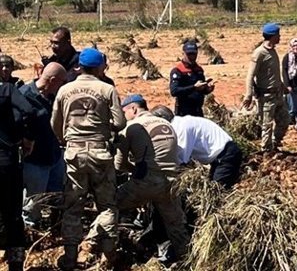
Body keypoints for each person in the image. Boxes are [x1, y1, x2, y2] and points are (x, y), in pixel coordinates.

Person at [51, 47, 126, 270]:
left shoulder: (65, 89)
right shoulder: (106, 89)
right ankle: (108, 257)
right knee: (107, 205)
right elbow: (120, 122)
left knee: (73, 206)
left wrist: (64, 139)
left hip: (73, 153)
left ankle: (71, 257)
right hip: (100, 153)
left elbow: (55, 122)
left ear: (80, 66)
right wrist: (104, 126)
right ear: (99, 67)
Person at [104, 94, 189, 264]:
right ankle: (188, 259)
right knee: (176, 226)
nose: (123, 116)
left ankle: (106, 252)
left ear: (133, 109)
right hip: (173, 183)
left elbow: (119, 165)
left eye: (124, 111)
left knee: (109, 205)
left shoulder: (131, 127)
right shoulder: (166, 124)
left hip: (147, 183)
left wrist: (136, 170)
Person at [18, 63, 68, 228]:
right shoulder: (24, 95)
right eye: (60, 82)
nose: (62, 86)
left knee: (57, 195)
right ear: (52, 80)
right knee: (34, 200)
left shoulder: (52, 96)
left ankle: (54, 227)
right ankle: (31, 232)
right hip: (35, 160)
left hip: (54, 156)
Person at [0, 82, 42, 271]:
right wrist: (28, 138)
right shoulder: (6, 89)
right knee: (13, 214)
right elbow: (31, 112)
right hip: (6, 161)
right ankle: (15, 264)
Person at [150, 106, 244, 189]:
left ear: (162, 119)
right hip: (222, 156)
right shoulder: (181, 122)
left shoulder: (181, 128)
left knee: (218, 190)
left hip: (226, 156)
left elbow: (182, 159)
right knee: (213, 186)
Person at [241, 23, 286, 151]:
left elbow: (273, 73)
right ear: (272, 36)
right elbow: (250, 75)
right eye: (278, 35)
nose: (280, 37)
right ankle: (266, 151)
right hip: (266, 96)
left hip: (278, 94)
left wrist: (282, 85)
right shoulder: (259, 53)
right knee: (267, 125)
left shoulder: (273, 50)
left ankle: (275, 143)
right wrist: (249, 94)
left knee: (285, 120)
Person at [169, 41, 215, 117]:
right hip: (183, 112)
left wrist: (208, 89)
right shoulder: (178, 70)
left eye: (194, 54)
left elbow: (201, 90)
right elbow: (174, 91)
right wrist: (194, 87)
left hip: (198, 111)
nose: (192, 57)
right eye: (189, 54)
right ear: (183, 54)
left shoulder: (199, 70)